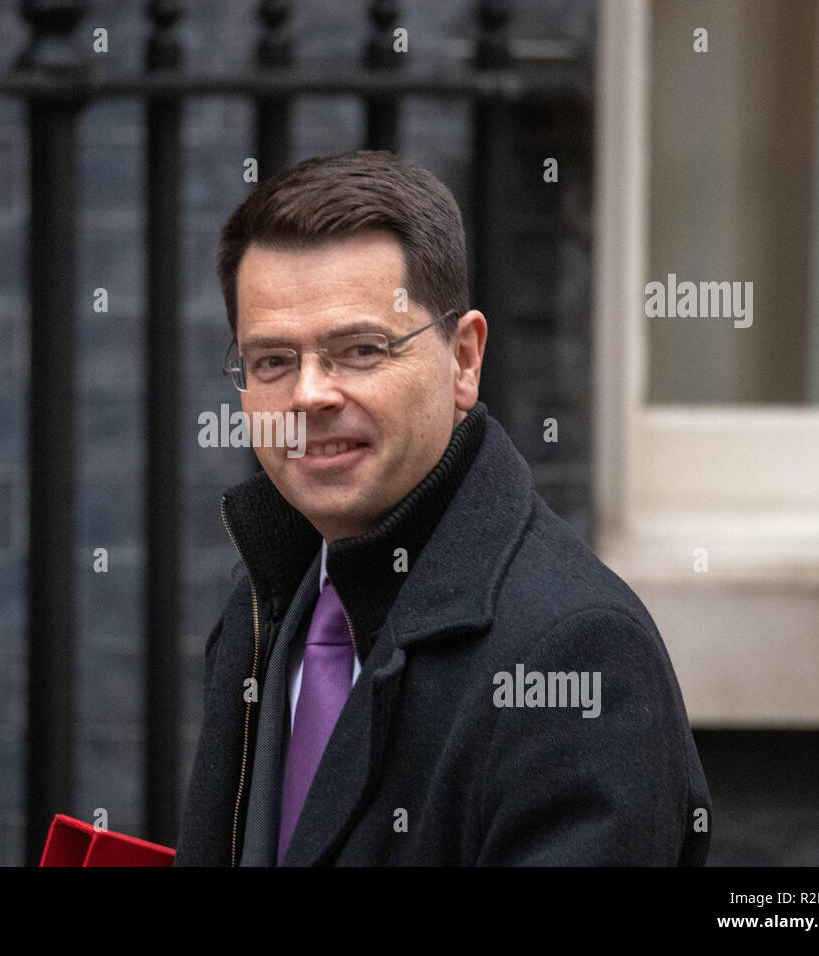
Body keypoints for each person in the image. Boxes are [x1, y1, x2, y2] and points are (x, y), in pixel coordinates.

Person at [174, 149, 711, 866]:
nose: (307, 396)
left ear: (463, 360)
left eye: (360, 350)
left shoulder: (577, 654)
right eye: (272, 361)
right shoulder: (260, 611)